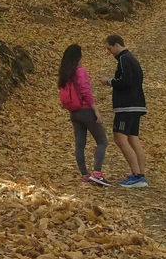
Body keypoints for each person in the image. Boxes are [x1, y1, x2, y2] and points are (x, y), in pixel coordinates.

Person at [58, 44, 109, 187]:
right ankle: (97, 173)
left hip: (74, 112)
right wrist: (96, 110)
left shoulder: (65, 73)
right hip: (86, 111)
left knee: (80, 144)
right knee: (102, 141)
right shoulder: (80, 72)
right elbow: (86, 92)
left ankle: (85, 175)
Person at [106, 34, 148, 188]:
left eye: (110, 48)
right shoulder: (132, 59)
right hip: (136, 104)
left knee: (120, 138)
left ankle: (137, 176)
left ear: (117, 45)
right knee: (133, 138)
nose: (110, 52)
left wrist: (109, 81)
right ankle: (140, 174)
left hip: (127, 106)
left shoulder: (124, 59)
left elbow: (126, 81)